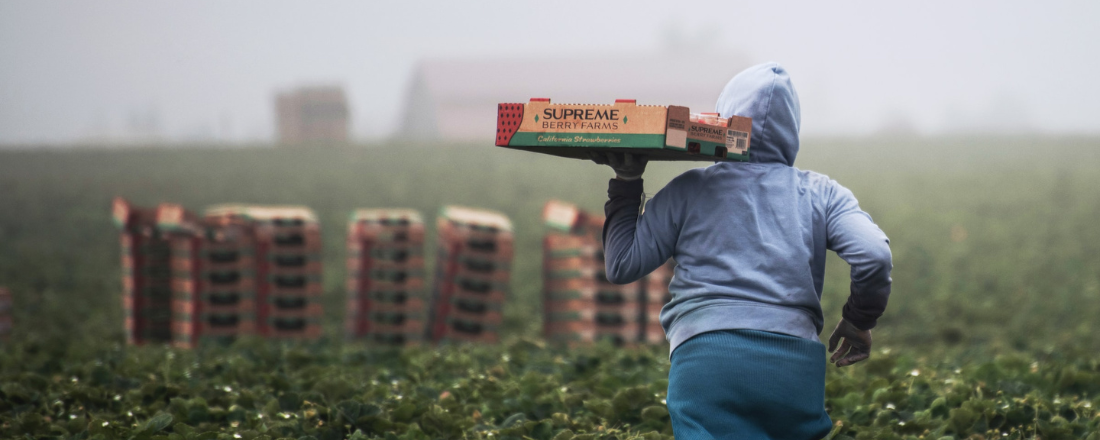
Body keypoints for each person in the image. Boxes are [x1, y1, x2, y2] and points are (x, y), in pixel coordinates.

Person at [590, 62, 893, 439]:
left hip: (705, 361)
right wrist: (859, 319)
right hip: (794, 369)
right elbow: (874, 255)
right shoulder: (823, 193)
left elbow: (621, 264)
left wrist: (627, 182)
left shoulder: (688, 189)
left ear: (723, 119)